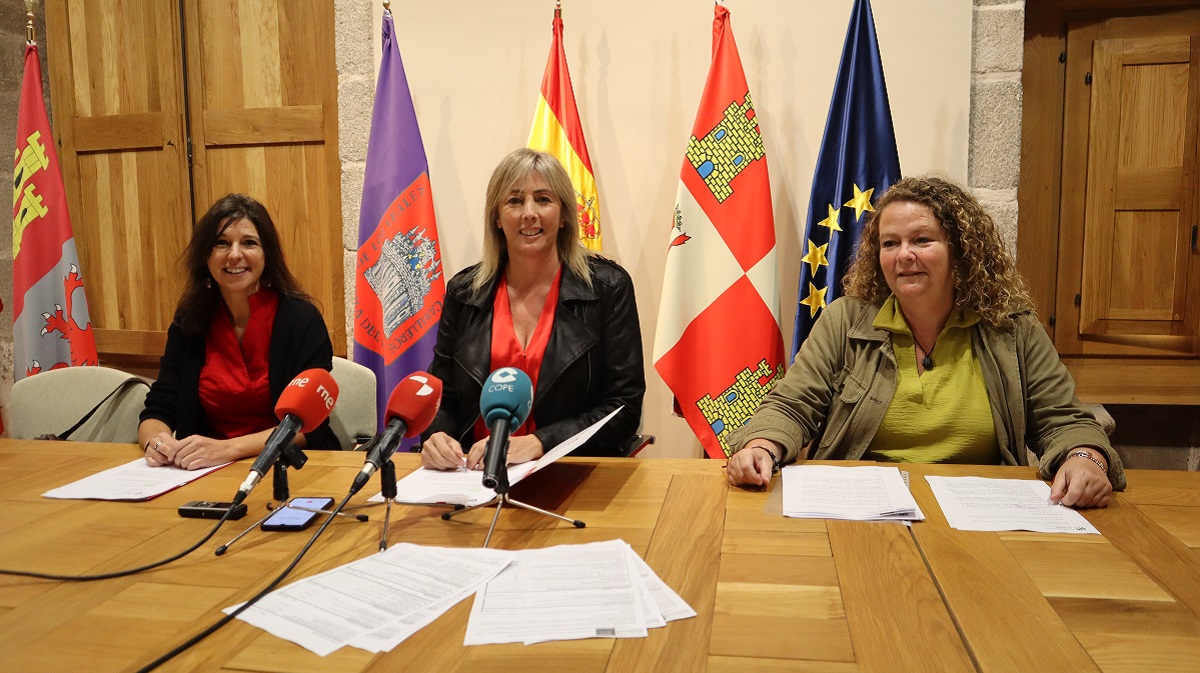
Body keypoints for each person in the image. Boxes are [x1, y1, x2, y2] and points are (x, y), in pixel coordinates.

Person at [727, 176, 1124, 508]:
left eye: (921, 240)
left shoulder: (1011, 328)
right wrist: (762, 446)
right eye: (890, 243)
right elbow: (792, 405)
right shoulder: (845, 319)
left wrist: (1086, 459)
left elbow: (1064, 420)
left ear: (962, 251)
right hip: (858, 508)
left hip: (981, 511)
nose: (904, 255)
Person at [420, 148, 645, 469]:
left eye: (543, 199)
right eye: (514, 200)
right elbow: (444, 398)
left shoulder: (607, 288)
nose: (529, 212)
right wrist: (437, 435)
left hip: (570, 473)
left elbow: (623, 406)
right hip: (474, 477)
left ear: (564, 214)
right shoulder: (464, 292)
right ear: (496, 217)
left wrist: (540, 443)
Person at [138, 194, 338, 470]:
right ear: (205, 256)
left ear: (267, 255)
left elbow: (306, 425)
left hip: (290, 467)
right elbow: (159, 407)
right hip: (204, 470)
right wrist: (156, 443)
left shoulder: (300, 319)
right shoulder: (190, 321)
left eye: (249, 243)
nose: (234, 254)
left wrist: (227, 449)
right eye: (221, 243)